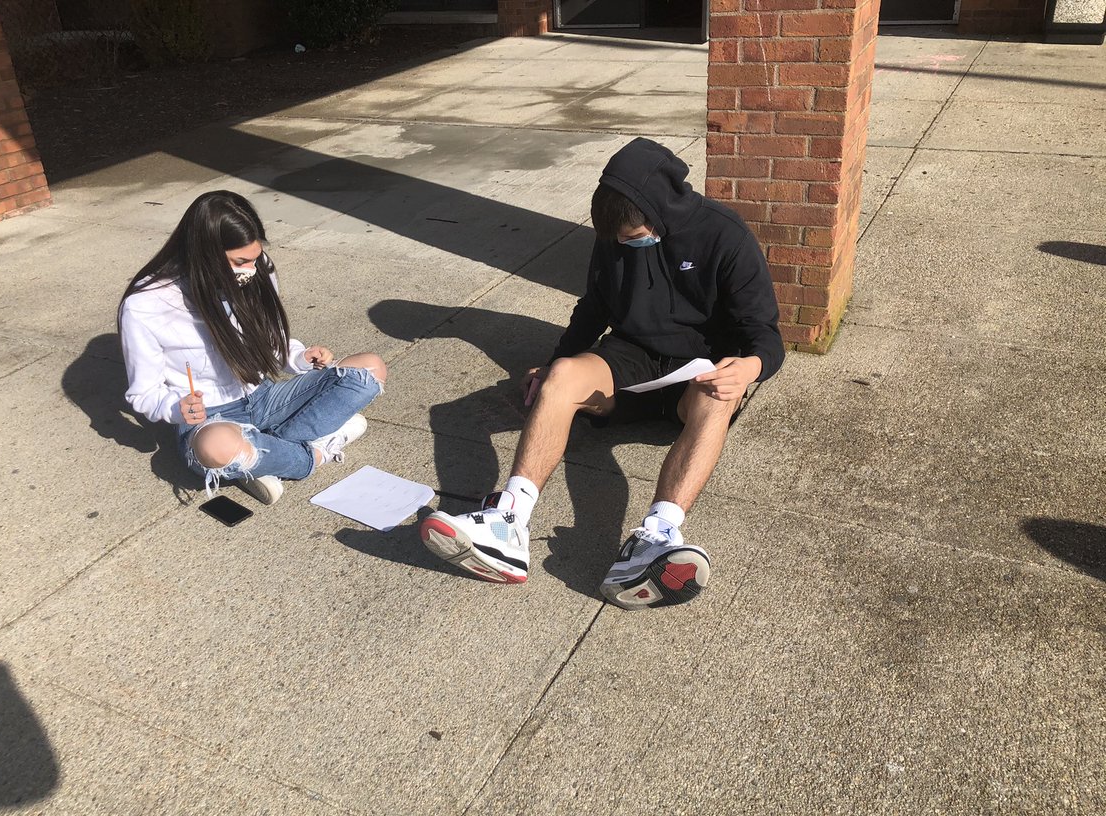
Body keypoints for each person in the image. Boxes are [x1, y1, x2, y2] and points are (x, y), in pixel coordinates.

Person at [419, 138, 783, 609]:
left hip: (697, 371)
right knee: (561, 377)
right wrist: (555, 361)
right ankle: (508, 524)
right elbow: (593, 308)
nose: (626, 245)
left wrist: (752, 367)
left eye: (635, 237)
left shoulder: (726, 236)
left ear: (661, 213)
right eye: (619, 240)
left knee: (719, 396)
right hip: (630, 359)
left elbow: (765, 333)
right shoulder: (613, 236)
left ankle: (656, 538)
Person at [119, 190, 386, 505]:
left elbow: (268, 338)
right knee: (216, 446)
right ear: (204, 256)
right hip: (210, 419)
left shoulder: (257, 270)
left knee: (369, 368)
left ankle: (259, 456)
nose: (251, 269)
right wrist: (175, 408)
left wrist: (298, 356)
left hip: (264, 396)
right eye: (240, 261)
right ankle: (311, 454)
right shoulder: (146, 304)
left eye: (255, 257)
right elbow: (144, 393)